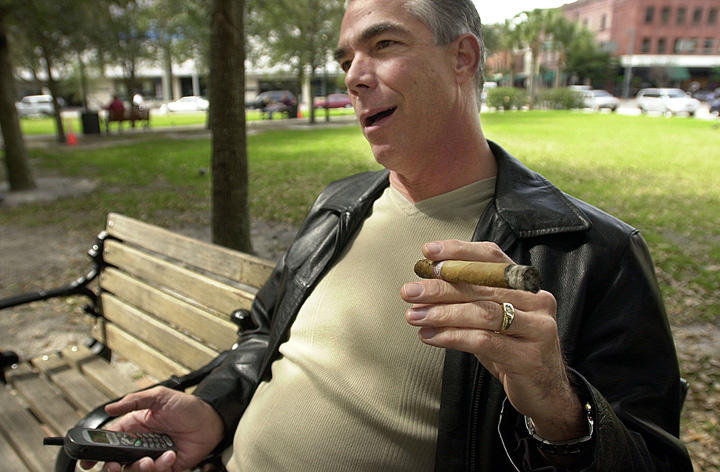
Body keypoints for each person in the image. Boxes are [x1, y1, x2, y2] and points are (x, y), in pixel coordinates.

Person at [86, 0, 692, 471]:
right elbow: (264, 334)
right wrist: (214, 410)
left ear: (463, 58)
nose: (354, 77)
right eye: (346, 60)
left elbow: (653, 460)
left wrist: (558, 407)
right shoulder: (340, 204)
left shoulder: (588, 252)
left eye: (383, 45)